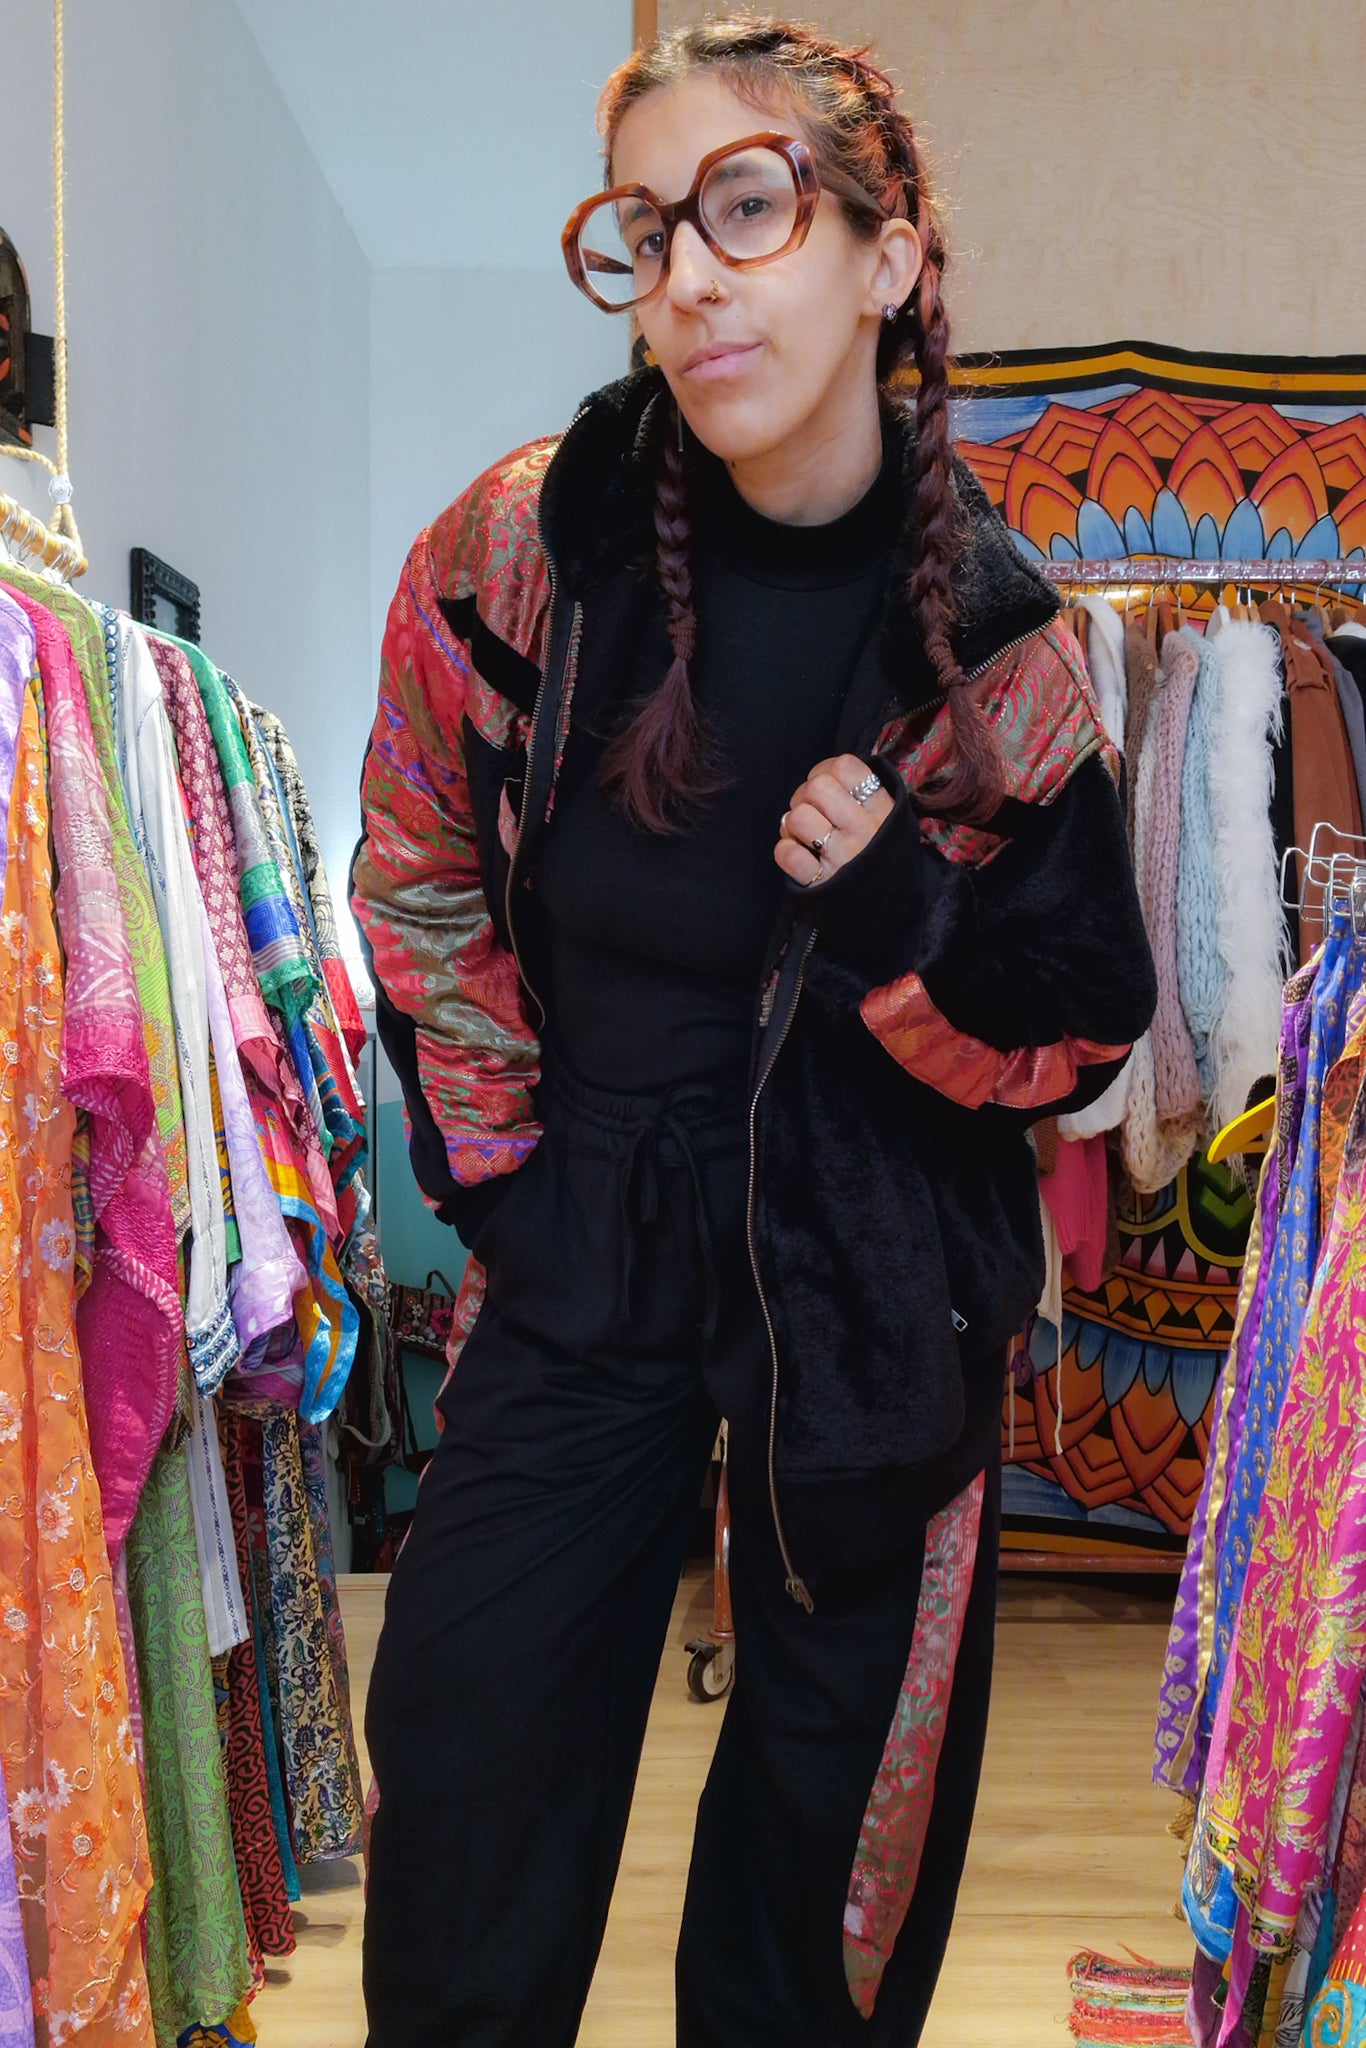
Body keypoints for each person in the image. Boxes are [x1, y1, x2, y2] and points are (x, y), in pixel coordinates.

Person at [350, 17, 1157, 2045]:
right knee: (466, 1762)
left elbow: (1078, 1035)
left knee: (824, 1870)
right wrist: (506, 1176)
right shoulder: (525, 547)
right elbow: (415, 858)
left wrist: (910, 928)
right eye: (646, 231)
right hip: (585, 1229)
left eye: (743, 206)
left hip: (873, 1269)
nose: (689, 275)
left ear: (889, 257)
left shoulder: (999, 644)